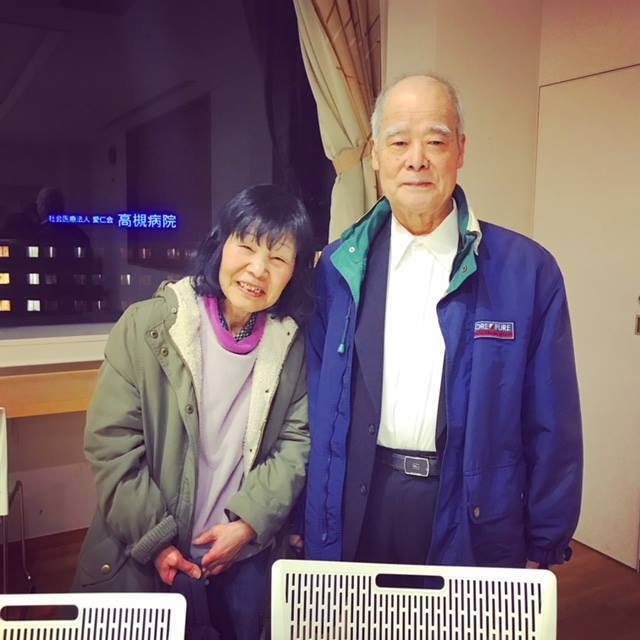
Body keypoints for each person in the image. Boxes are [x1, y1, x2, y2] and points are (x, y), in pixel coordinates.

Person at [304, 75, 582, 570]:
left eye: (435, 141)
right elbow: (313, 409)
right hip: (361, 502)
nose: (416, 160)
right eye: (398, 143)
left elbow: (553, 421)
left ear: (461, 151)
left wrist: (544, 540)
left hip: (473, 513)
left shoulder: (526, 272)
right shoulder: (338, 269)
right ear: (375, 155)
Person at [73, 185, 314, 639]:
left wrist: (248, 524)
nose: (258, 269)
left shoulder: (291, 344)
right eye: (246, 246)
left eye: (278, 258)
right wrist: (157, 540)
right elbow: (112, 447)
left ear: (293, 272)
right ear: (220, 243)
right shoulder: (148, 327)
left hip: (243, 554)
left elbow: (295, 444)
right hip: (145, 552)